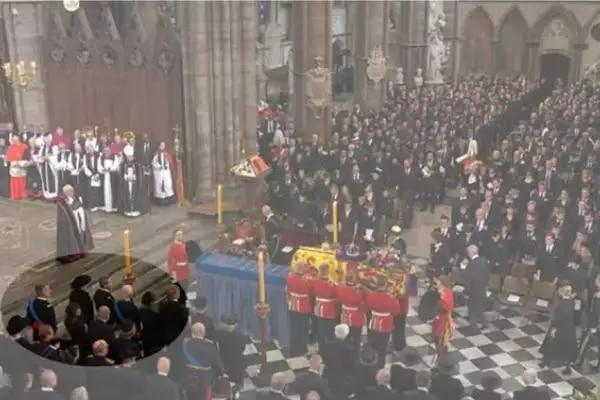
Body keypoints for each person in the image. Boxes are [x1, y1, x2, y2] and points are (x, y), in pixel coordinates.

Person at [539, 282, 578, 374]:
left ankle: (546, 361)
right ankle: (566, 366)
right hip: (569, 328)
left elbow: (558, 317)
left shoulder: (562, 303)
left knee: (551, 343)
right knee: (567, 347)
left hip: (559, 328)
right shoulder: (571, 302)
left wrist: (554, 328)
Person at [183, 322, 226, 400]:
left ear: (192, 333)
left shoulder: (184, 344)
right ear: (204, 333)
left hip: (188, 377)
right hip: (205, 379)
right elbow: (217, 363)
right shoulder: (211, 347)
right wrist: (222, 373)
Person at [365, 276, 401, 367]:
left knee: (372, 348)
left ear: (376, 284)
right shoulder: (391, 299)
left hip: (373, 325)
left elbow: (366, 308)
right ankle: (380, 368)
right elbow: (396, 312)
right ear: (386, 285)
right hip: (385, 326)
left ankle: (371, 366)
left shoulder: (371, 296)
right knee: (382, 350)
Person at [55, 184, 94, 264]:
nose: (72, 192)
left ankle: (81, 250)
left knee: (81, 234)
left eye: (72, 191)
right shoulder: (62, 203)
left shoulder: (76, 198)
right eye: (70, 191)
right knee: (72, 237)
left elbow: (79, 206)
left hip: (78, 221)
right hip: (70, 224)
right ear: (66, 193)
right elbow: (64, 215)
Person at [320, 324, 354, 400]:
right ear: (346, 335)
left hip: (329, 380)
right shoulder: (350, 350)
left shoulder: (327, 347)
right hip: (343, 382)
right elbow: (351, 368)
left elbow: (323, 363)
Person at [285, 262, 312, 356]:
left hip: (293, 304)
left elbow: (287, 289)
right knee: (303, 329)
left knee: (294, 328)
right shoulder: (307, 281)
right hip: (304, 306)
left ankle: (293, 349)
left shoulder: (290, 277)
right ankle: (302, 349)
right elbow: (311, 292)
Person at [334, 271, 365, 350]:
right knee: (356, 340)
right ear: (354, 280)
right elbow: (363, 306)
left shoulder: (340, 288)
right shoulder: (358, 292)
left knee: (346, 339)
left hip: (345, 316)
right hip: (356, 318)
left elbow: (338, 300)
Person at [215, 315, 247, 389]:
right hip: (237, 362)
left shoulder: (218, 334)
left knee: (226, 383)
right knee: (237, 381)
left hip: (224, 360)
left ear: (224, 324)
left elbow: (216, 347)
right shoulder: (240, 336)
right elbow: (243, 348)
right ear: (235, 325)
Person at [118, 144, 151, 217]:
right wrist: (125, 177)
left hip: (135, 184)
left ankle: (136, 209)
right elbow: (121, 174)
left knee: (135, 195)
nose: (130, 158)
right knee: (127, 194)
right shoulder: (123, 165)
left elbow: (140, 176)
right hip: (126, 183)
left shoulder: (137, 165)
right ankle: (127, 210)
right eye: (128, 156)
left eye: (131, 156)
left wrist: (134, 177)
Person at [311, 263, 338, 350]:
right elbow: (337, 296)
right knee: (329, 331)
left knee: (320, 330)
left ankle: (321, 348)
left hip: (319, 308)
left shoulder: (315, 282)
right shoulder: (332, 285)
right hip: (329, 310)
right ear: (328, 272)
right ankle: (328, 350)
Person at [464, 245, 489, 330]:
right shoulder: (484, 260)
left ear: (471, 253)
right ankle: (484, 323)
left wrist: (466, 291)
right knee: (479, 308)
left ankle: (473, 327)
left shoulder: (471, 265)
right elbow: (486, 276)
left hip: (473, 291)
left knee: (472, 310)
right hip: (482, 289)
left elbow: (468, 280)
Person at [431, 276, 454, 359]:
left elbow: (449, 307)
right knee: (435, 338)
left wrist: (442, 297)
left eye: (438, 283)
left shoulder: (448, 292)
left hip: (443, 320)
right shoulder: (437, 291)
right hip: (436, 318)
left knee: (440, 338)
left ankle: (441, 357)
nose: (436, 284)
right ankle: (439, 354)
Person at [151, 141, 176, 205]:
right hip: (158, 172)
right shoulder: (156, 154)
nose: (163, 146)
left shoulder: (167, 154)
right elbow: (153, 163)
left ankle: (169, 199)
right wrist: (159, 166)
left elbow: (169, 162)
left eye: (164, 145)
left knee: (168, 184)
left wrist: (166, 165)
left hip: (166, 172)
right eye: (161, 145)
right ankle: (160, 200)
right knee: (158, 184)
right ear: (159, 146)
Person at [5, 134, 29, 199]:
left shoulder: (24, 147)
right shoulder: (10, 147)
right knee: (14, 182)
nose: (15, 141)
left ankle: (22, 194)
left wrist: (20, 163)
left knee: (21, 181)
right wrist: (12, 162)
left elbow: (27, 158)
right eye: (13, 140)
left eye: (16, 139)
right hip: (13, 168)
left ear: (19, 139)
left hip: (21, 167)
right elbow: (8, 157)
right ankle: (15, 195)